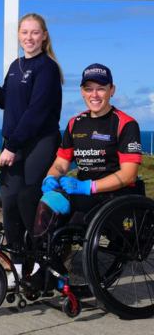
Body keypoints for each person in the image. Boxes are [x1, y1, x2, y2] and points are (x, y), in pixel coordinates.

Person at [18, 63, 143, 291]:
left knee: (53, 202)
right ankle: (51, 264)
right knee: (26, 195)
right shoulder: (75, 123)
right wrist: (51, 178)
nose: (94, 95)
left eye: (101, 88)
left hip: (111, 195)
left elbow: (129, 174)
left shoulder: (126, 123)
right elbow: (61, 163)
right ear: (82, 92)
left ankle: (44, 270)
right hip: (81, 189)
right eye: (88, 89)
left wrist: (87, 187)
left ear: (112, 90)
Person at [0, 13, 63, 287]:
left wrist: (11, 146)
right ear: (19, 35)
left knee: (31, 204)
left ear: (44, 36)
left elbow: (36, 112)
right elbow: (5, 101)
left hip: (39, 143)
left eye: (35, 33)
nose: (29, 37)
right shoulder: (15, 66)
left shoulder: (47, 68)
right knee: (11, 205)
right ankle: (15, 268)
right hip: (13, 144)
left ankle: (41, 266)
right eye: (24, 32)